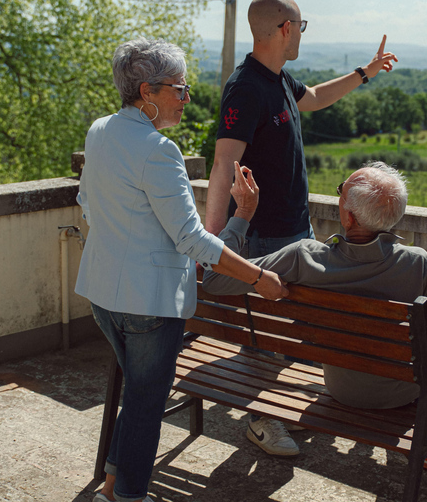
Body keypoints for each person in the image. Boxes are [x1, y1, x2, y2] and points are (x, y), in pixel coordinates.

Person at [76, 37, 287, 502]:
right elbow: (190, 239)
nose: (187, 99)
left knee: (138, 398)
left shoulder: (100, 130)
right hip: (147, 304)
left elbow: (88, 203)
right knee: (147, 405)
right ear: (147, 91)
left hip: (102, 293)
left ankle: (113, 484)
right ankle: (127, 495)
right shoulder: (159, 150)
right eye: (179, 89)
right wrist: (258, 276)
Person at [205, 0, 398, 455]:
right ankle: (262, 420)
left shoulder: (278, 78)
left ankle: (280, 407)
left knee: (292, 326)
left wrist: (364, 73)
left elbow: (314, 98)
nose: (303, 34)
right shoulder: (246, 86)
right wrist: (210, 239)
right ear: (286, 29)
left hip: (294, 227)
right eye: (302, 26)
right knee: (264, 331)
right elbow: (222, 163)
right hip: (262, 231)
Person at [202, 161, 427, 470]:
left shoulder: (304, 257)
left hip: (341, 390)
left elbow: (214, 280)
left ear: (348, 216)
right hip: (402, 397)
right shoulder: (418, 265)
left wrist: (243, 215)